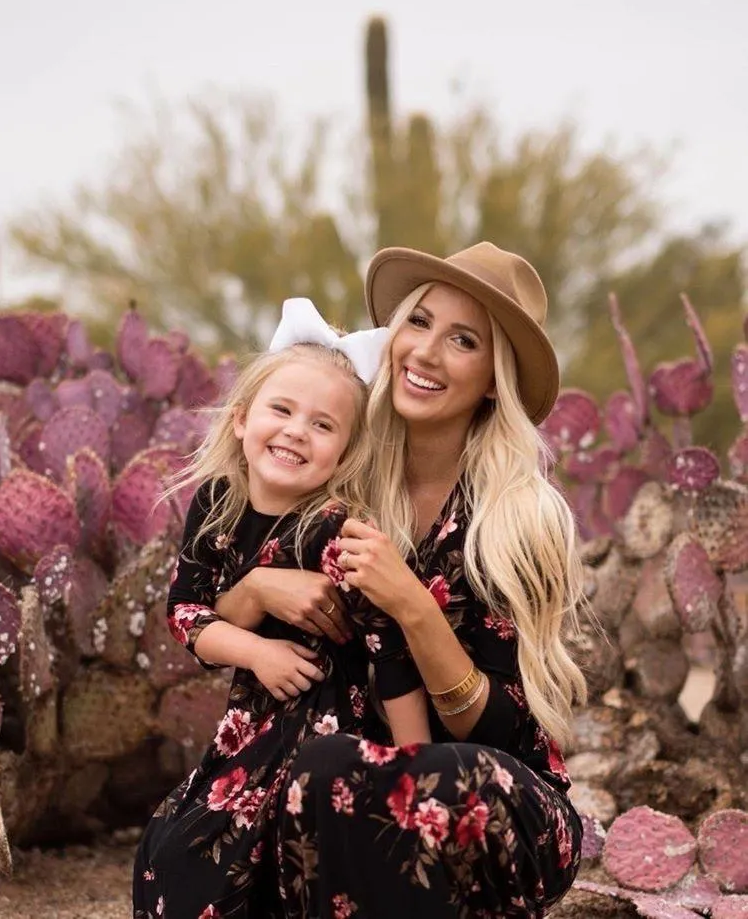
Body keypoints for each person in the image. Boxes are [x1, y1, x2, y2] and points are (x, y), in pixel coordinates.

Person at [219, 242, 587, 918]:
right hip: (347, 791)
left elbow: (507, 727)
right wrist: (259, 588)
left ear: (491, 379)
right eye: (418, 323)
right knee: (303, 781)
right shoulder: (338, 482)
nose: (425, 352)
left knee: (415, 777)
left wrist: (413, 606)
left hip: (488, 796)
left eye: (463, 339)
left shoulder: (520, 517)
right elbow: (219, 598)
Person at [132, 299, 431, 919]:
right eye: (282, 410)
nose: (297, 429)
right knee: (167, 858)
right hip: (250, 729)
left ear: (345, 453)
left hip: (330, 738)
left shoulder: (335, 532)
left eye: (324, 425)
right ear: (242, 420)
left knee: (277, 873)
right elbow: (187, 614)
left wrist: (416, 773)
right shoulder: (217, 505)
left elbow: (390, 650)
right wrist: (257, 650)